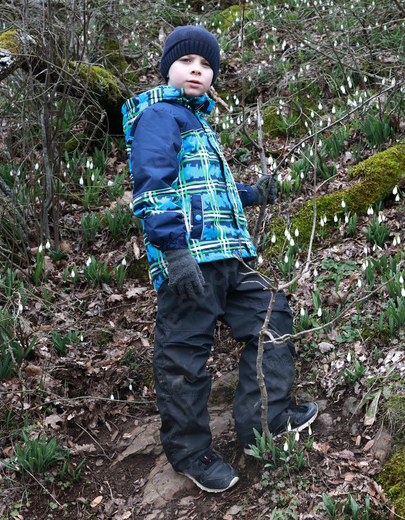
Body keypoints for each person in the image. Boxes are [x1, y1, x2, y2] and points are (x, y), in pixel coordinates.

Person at [121, 25, 317, 493]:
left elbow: (207, 188)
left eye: (206, 64)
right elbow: (153, 186)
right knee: (184, 355)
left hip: (231, 255)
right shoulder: (159, 116)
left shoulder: (197, 121)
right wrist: (174, 251)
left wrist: (251, 194)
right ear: (167, 68)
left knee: (271, 317)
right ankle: (191, 452)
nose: (197, 70)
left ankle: (265, 420)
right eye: (186, 61)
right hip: (189, 259)